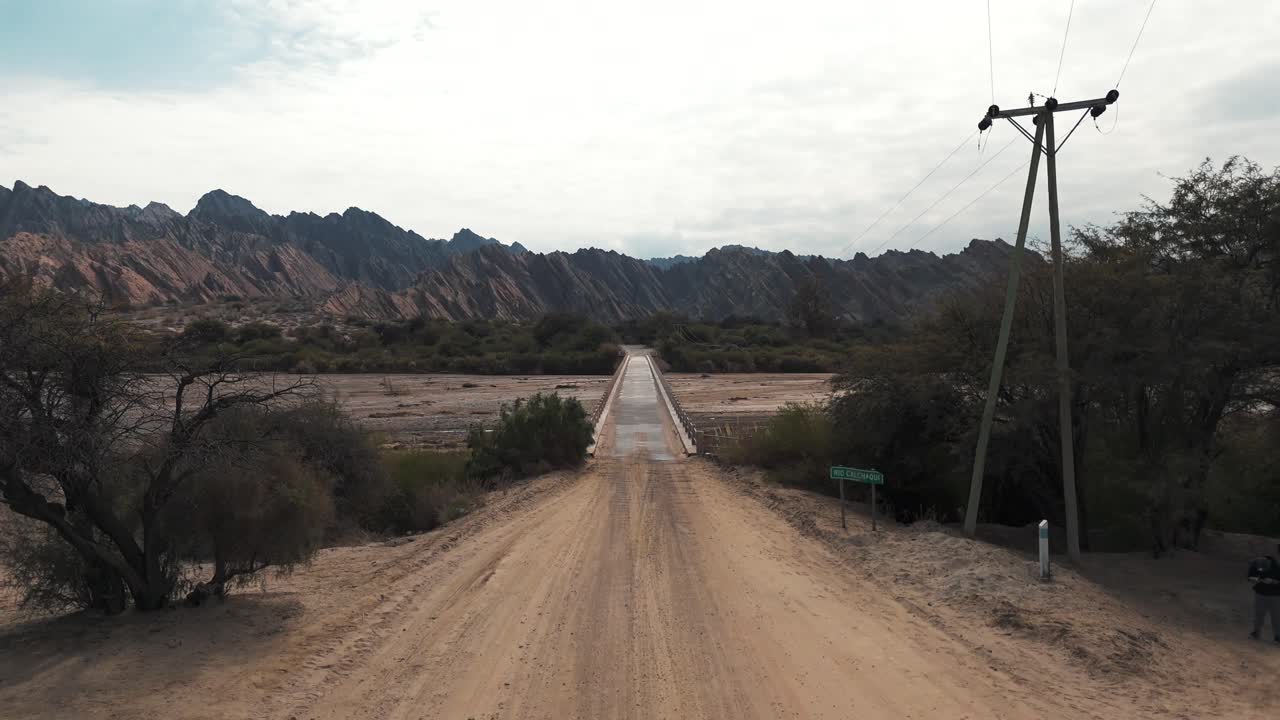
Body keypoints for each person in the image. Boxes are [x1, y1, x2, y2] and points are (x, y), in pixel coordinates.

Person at [1248, 545, 1280, 643]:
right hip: (1262, 592)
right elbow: (1250, 576)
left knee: (1276, 616)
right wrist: (1256, 579)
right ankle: (1257, 632)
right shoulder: (1262, 561)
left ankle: (1277, 636)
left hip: (1276, 594)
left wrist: (1273, 581)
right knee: (1259, 614)